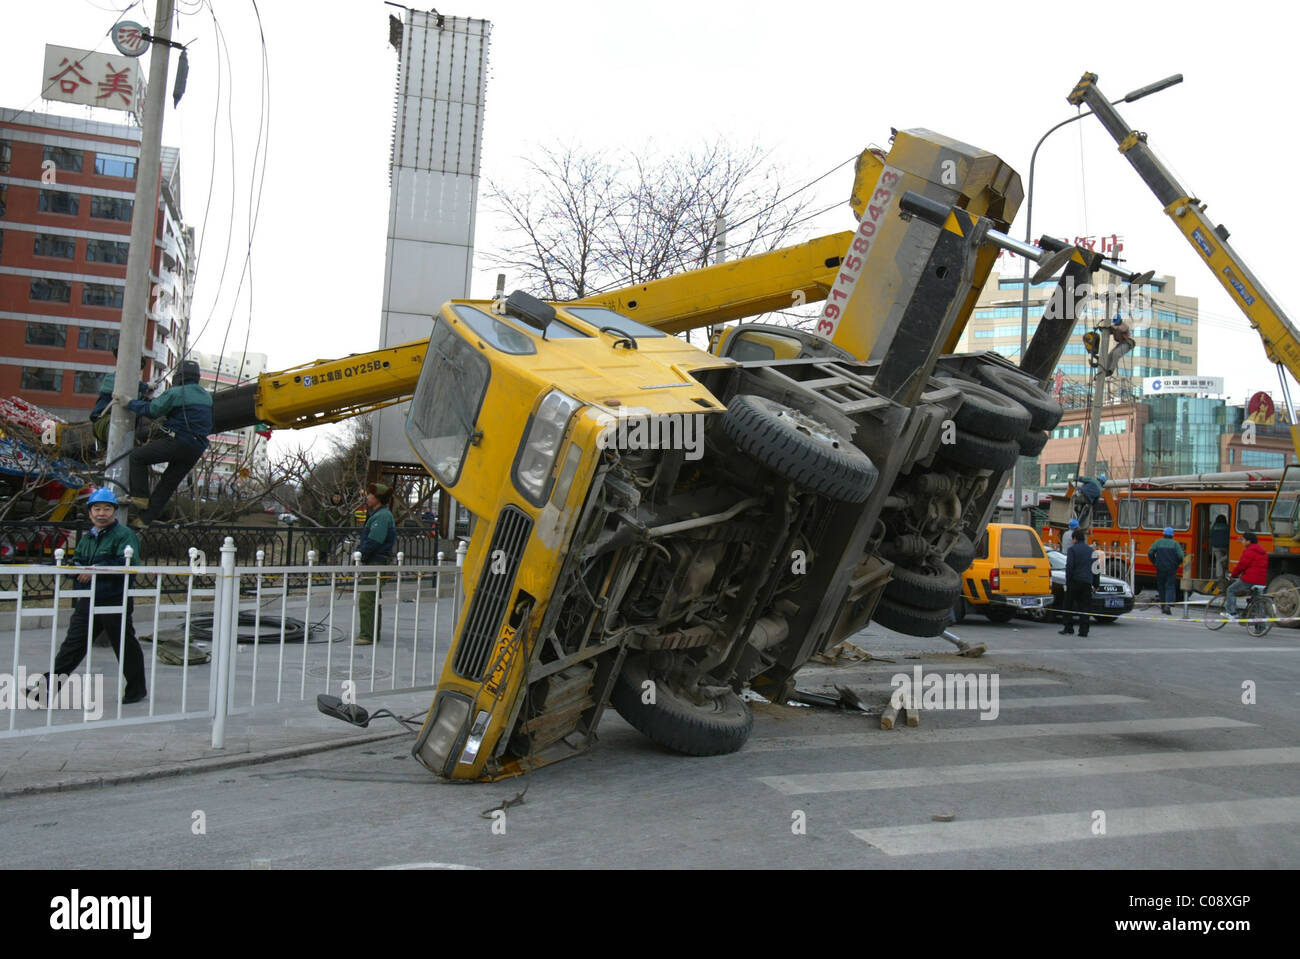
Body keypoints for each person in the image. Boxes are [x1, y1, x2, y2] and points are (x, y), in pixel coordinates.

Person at [36, 488, 146, 705]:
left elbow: (129, 565)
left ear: (114, 512)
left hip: (115, 598)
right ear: (90, 513)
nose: (101, 513)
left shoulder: (124, 535)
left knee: (124, 645)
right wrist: (73, 569)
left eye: (107, 508)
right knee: (72, 645)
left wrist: (95, 568)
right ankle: (45, 690)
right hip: (89, 599)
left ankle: (136, 689)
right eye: (97, 508)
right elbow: (78, 561)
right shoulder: (88, 537)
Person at [123, 359, 213, 528]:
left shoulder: (177, 392)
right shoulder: (207, 397)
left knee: (137, 457)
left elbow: (153, 410)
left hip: (178, 442)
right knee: (167, 484)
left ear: (179, 377)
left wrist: (129, 403)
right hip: (196, 448)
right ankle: (144, 520)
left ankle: (140, 497)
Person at [356, 482, 397, 646]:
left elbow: (374, 540)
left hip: (376, 561)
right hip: (377, 561)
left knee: (367, 598)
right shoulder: (380, 514)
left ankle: (367, 635)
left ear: (377, 498)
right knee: (373, 598)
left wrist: (360, 555)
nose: (367, 497)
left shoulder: (381, 516)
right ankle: (372, 633)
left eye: (370, 495)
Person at [1061, 535, 1099, 637]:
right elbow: (1096, 569)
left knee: (1068, 605)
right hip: (1087, 583)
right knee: (1085, 607)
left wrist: (1068, 581)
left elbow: (1069, 566)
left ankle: (1068, 628)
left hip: (1074, 581)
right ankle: (1084, 631)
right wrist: (1096, 584)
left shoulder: (1072, 550)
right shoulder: (1092, 551)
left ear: (1075, 539)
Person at [1226, 531, 1268, 619]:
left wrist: (1233, 575)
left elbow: (1241, 565)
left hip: (1250, 579)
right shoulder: (1263, 552)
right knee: (1258, 601)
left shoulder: (1249, 551)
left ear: (1248, 541)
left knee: (1231, 590)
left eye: (1243, 540)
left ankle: (1232, 613)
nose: (1242, 542)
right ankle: (1260, 627)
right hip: (1261, 580)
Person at [1147, 526, 1185, 615]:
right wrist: (1177, 564)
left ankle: (1163, 606)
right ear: (1172, 535)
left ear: (1163, 534)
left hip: (1160, 568)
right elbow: (1181, 556)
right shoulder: (1175, 544)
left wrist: (1155, 561)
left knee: (1161, 586)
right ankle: (1168, 605)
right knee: (1170, 586)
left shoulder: (1158, 542)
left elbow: (1150, 552)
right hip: (1171, 568)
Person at [1209, 514, 1231, 580]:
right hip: (1226, 547)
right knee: (1227, 558)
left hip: (1216, 547)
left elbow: (1211, 535)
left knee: (1218, 560)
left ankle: (1219, 576)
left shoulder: (1213, 527)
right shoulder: (1227, 527)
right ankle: (1226, 569)